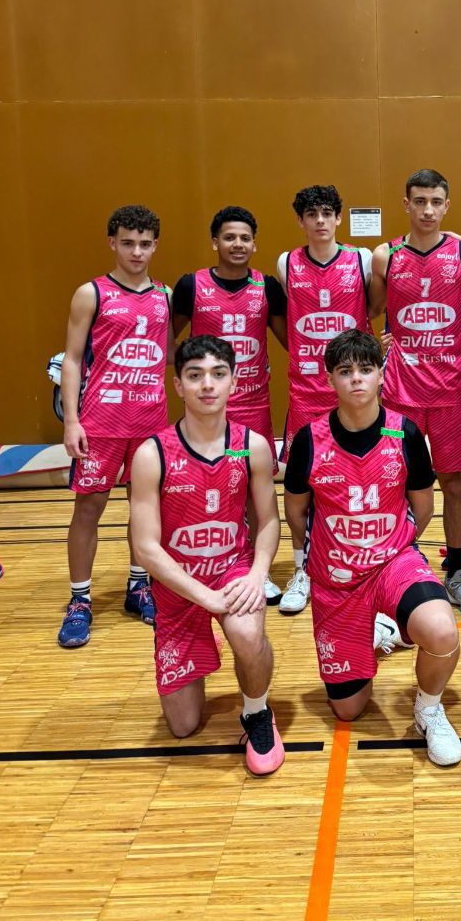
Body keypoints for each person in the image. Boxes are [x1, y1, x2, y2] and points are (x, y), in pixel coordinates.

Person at [283, 329, 461, 766]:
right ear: (329, 378)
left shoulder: (405, 433)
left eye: (366, 369)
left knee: (442, 631)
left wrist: (393, 546)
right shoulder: (308, 440)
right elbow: (296, 513)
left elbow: (423, 508)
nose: (356, 379)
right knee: (349, 708)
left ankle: (428, 711)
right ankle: (381, 630)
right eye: (345, 371)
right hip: (336, 578)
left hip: (392, 563)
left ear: (381, 375)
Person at [129, 335, 285, 776]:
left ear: (234, 381)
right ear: (178, 385)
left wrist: (257, 574)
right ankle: (206, 635)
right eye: (195, 375)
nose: (207, 385)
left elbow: (269, 521)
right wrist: (205, 599)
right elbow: (145, 547)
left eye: (218, 374)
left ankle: (257, 712)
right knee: (183, 726)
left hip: (232, 569)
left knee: (247, 634)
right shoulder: (151, 454)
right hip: (178, 585)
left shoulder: (253, 445)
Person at [369, 169, 461, 620]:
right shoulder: (386, 256)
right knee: (396, 481)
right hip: (400, 389)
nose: (427, 210)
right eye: (419, 201)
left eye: (436, 202)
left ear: (446, 206)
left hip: (450, 389)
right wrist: (376, 341)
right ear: (406, 204)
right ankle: (398, 566)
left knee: (453, 483)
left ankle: (455, 572)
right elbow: (369, 308)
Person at [58, 204, 171, 648]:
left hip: (149, 423)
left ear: (155, 245)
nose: (136, 252)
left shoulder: (164, 296)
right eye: (127, 243)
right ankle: (80, 600)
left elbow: (169, 356)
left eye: (144, 244)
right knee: (89, 509)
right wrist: (71, 420)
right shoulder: (91, 293)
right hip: (100, 422)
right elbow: (71, 359)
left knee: (144, 509)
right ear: (112, 243)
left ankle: (138, 586)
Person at [172, 205, 286, 603]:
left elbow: (292, 341)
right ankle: (204, 561)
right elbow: (164, 338)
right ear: (215, 242)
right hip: (205, 409)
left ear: (254, 244)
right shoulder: (191, 285)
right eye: (229, 237)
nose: (237, 244)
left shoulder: (267, 287)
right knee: (206, 486)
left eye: (245, 238)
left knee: (256, 490)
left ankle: (256, 567)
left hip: (253, 406)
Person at [275, 185, 373, 615]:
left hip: (352, 393)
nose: (320, 220)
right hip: (305, 393)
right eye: (311, 213)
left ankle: (363, 559)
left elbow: (377, 308)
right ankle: (302, 568)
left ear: (338, 218)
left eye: (327, 212)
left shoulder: (361, 259)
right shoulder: (286, 263)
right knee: (300, 485)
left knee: (358, 480)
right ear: (300, 220)